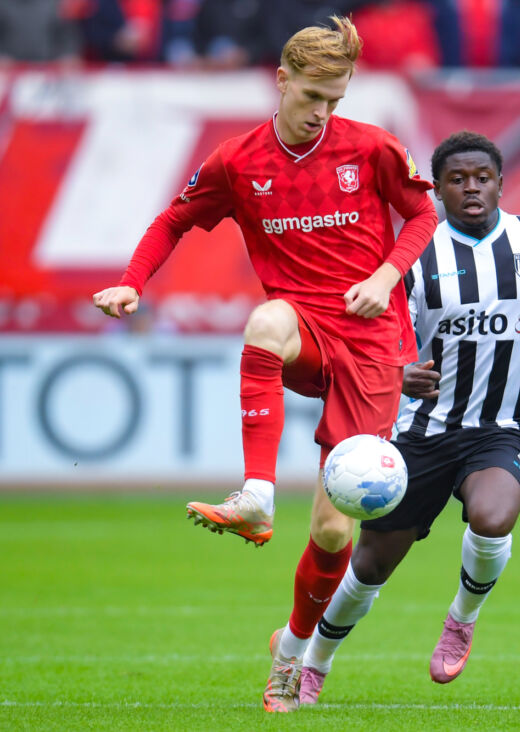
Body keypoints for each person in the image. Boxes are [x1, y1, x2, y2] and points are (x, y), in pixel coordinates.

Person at [90, 16, 437, 712]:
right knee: (266, 320)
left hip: (373, 345)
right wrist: (132, 282)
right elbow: (173, 220)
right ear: (281, 80)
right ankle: (257, 494)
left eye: (335, 100)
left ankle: (292, 650)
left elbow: (423, 216)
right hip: (306, 330)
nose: (322, 112)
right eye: (312, 96)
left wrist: (386, 276)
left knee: (334, 530)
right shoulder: (238, 162)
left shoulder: (371, 148)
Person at [291, 131, 520, 706]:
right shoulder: (412, 258)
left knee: (492, 516)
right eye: (457, 180)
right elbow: (373, 344)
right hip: (422, 432)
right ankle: (314, 663)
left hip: (505, 427)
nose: (472, 188)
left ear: (501, 182)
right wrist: (398, 374)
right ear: (436, 189)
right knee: (371, 565)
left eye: (482, 178)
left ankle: (462, 618)